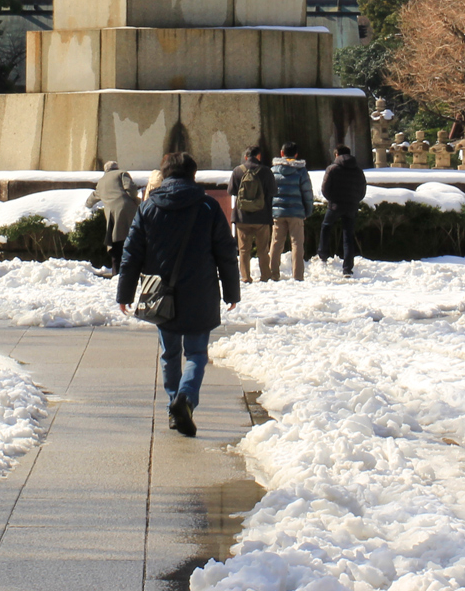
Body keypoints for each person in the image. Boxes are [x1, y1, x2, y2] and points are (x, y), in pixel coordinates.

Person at [115, 152, 239, 436]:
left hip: (161, 293)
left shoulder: (148, 208)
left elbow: (131, 254)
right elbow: (226, 253)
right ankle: (186, 398)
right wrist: (232, 291)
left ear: (165, 175)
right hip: (201, 292)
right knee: (195, 353)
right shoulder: (208, 207)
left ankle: (174, 403)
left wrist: (125, 292)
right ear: (193, 175)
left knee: (169, 353)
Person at [268, 141, 316, 282]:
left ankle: (273, 273)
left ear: (282, 153)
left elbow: (269, 192)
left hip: (278, 212)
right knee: (297, 244)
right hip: (296, 211)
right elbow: (307, 193)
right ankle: (297, 275)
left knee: (276, 243)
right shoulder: (301, 171)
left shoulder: (274, 170)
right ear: (296, 154)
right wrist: (307, 211)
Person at [227, 145, 276, 283]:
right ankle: (265, 275)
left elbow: (231, 191)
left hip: (242, 217)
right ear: (259, 156)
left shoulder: (237, 171)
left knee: (243, 250)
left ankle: (245, 277)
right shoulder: (266, 171)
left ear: (245, 157)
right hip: (262, 216)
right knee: (262, 249)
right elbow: (273, 191)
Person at [85, 160, 141, 277]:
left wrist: (87, 204)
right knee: (132, 240)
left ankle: (117, 272)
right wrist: (134, 198)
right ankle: (133, 271)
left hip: (111, 214)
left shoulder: (101, 181)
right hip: (127, 210)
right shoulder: (122, 173)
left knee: (115, 243)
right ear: (116, 167)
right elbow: (131, 189)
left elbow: (94, 197)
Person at [320, 145, 367, 277]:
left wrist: (332, 199)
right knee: (348, 235)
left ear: (337, 155)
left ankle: (323, 254)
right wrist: (355, 200)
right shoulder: (358, 170)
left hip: (335, 205)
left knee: (326, 226)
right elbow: (362, 189)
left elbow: (325, 188)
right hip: (351, 206)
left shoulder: (332, 169)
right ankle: (347, 268)